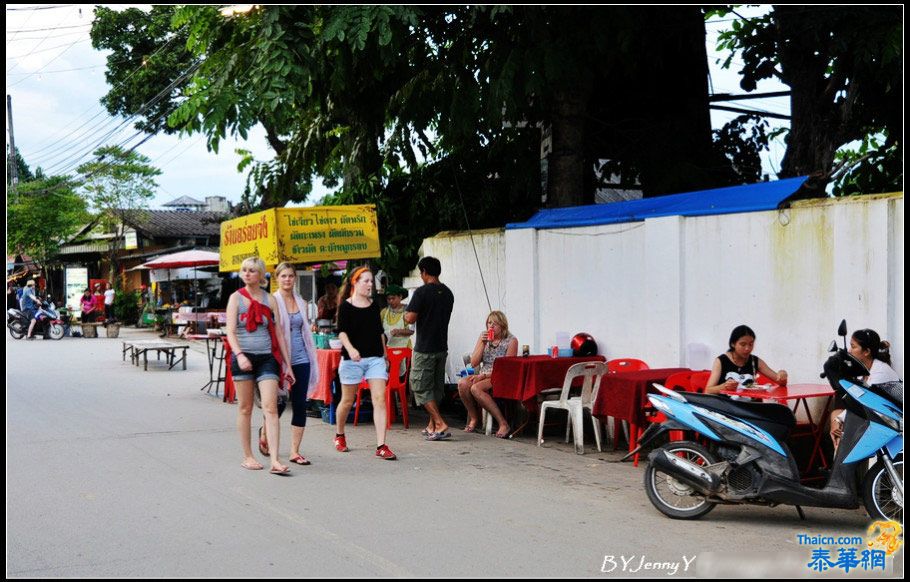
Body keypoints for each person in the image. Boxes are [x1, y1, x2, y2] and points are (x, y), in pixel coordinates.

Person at [225, 256, 295, 475]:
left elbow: (278, 333)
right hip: (243, 356)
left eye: (252, 270)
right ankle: (248, 456)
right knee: (245, 408)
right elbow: (231, 331)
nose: (247, 274)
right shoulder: (236, 298)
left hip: (266, 357)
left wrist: (288, 365)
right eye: (244, 270)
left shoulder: (269, 299)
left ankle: (274, 459)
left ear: (261, 275)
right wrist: (240, 355)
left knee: (271, 407)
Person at [333, 266, 397, 460]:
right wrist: (351, 349)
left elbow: (380, 334)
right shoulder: (345, 306)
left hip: (375, 359)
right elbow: (342, 332)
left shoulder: (374, 305)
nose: (370, 285)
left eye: (371, 281)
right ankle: (339, 434)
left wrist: (385, 356)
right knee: (347, 401)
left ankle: (381, 445)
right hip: (353, 359)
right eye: (366, 281)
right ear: (355, 283)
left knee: (379, 399)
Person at [269, 262, 321, 465]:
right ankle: (265, 432)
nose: (287, 279)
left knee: (300, 404)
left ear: (295, 278)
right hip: (279, 359)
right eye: (284, 276)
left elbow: (304, 331)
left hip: (302, 357)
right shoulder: (272, 300)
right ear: (277, 278)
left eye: (291, 276)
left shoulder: (302, 302)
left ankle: (294, 451)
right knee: (278, 404)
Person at [404, 256, 455, 441]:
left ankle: (440, 423)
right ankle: (432, 425)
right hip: (441, 346)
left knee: (419, 386)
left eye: (421, 272)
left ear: (424, 272)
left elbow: (410, 318)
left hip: (424, 348)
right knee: (435, 388)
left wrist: (405, 313)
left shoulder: (422, 292)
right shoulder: (448, 293)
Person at [829, 328, 900, 450]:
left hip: (894, 425)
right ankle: (841, 466)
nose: (850, 351)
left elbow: (863, 403)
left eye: (853, 347)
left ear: (866, 351)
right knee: (844, 428)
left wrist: (839, 419)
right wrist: (836, 421)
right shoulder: (862, 372)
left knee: (850, 424)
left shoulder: (881, 372)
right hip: (879, 422)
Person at [458, 311, 518, 438]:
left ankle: (503, 423)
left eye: (495, 324)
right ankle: (474, 418)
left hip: (500, 376)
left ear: (502, 325)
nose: (491, 326)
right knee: (462, 383)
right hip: (483, 374)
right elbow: (473, 363)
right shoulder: (484, 338)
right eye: (489, 323)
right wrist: (482, 343)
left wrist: (483, 376)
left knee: (476, 388)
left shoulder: (511, 341)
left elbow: (507, 368)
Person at [704, 325, 787, 394]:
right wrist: (723, 387)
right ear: (733, 344)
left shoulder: (755, 361)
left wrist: (782, 375)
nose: (747, 348)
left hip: (751, 407)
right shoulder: (721, 361)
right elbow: (708, 391)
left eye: (751, 344)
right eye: (743, 344)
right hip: (728, 408)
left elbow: (780, 382)